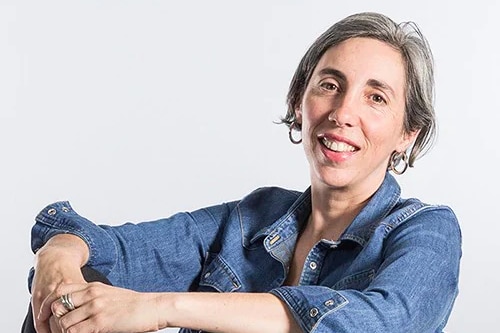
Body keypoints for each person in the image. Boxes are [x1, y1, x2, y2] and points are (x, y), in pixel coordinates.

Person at [22, 11, 461, 333]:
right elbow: (119, 252)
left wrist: (161, 308)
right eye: (330, 85)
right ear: (298, 103)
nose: (344, 112)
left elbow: (383, 323)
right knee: (76, 296)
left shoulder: (427, 232)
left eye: (376, 98)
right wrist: (57, 253)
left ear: (408, 133)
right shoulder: (252, 217)